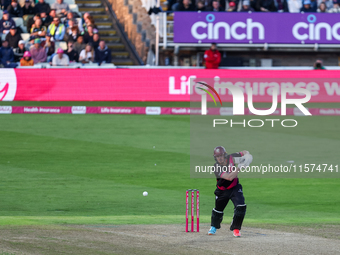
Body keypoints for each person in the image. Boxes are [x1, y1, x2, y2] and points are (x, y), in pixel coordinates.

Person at [208, 146, 252, 237]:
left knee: (241, 207)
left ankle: (236, 229)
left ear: (225, 155)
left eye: (221, 155)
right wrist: (240, 167)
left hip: (235, 188)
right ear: (215, 157)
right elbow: (229, 177)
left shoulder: (232, 157)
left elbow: (243, 152)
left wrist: (247, 155)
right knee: (218, 210)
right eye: (217, 156)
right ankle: (213, 227)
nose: (219, 158)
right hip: (222, 191)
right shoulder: (216, 167)